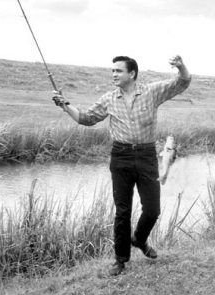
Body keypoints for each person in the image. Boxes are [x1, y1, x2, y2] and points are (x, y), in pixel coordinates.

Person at [52, 55, 191, 276]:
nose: (114, 75)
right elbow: (86, 118)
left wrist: (181, 66)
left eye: (118, 71)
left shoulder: (151, 92)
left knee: (153, 209)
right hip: (121, 157)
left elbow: (182, 82)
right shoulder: (109, 98)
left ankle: (139, 239)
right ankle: (120, 260)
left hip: (146, 156)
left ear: (132, 73)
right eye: (113, 71)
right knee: (122, 211)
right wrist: (65, 105)